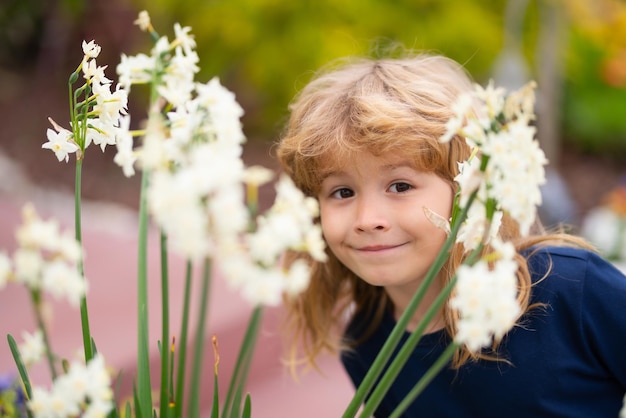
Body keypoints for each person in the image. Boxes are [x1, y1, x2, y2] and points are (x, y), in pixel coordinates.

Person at [275, 53, 626, 417]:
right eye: (342, 192)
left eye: (399, 185)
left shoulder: (569, 289)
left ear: (469, 186)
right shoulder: (367, 343)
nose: (368, 219)